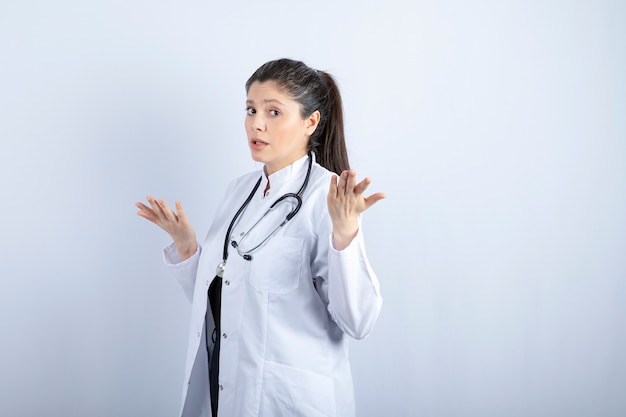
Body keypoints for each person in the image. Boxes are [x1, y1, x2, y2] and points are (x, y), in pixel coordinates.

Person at [136, 58, 385, 417]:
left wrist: (346, 234)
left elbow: (358, 322)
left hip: (290, 402)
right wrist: (188, 246)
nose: (257, 123)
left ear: (310, 122)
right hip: (228, 393)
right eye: (251, 109)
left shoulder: (327, 198)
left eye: (273, 112)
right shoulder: (238, 193)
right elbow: (221, 301)